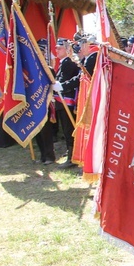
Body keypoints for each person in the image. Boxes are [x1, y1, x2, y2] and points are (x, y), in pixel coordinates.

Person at [51, 38, 80, 168]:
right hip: (61, 102)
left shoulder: (69, 62)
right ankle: (70, 153)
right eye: (56, 48)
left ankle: (72, 157)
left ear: (67, 49)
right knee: (66, 129)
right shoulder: (63, 62)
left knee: (69, 129)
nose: (56, 50)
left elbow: (70, 80)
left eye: (59, 48)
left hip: (67, 101)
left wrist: (61, 86)